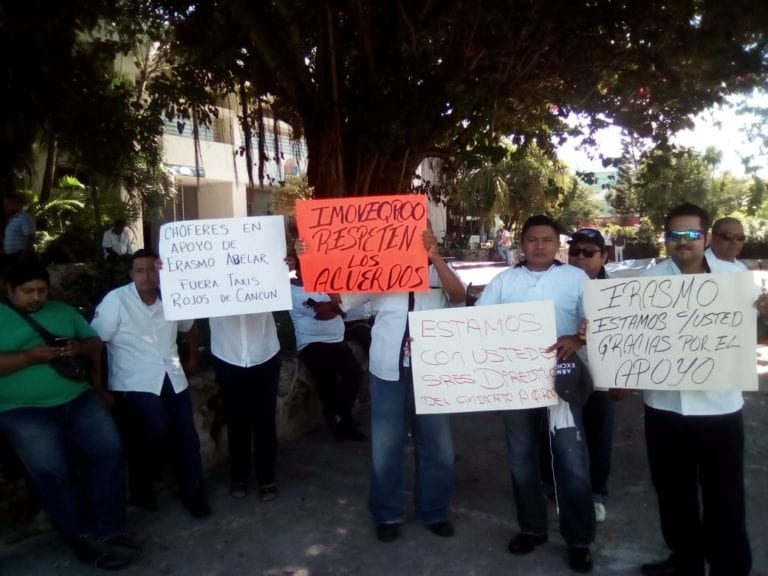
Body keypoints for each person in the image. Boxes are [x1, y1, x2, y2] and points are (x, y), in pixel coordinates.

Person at [298, 223, 465, 543]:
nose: (418, 236)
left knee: (438, 446)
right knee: (387, 446)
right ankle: (387, 514)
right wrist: (311, 260)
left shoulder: (441, 271)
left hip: (433, 373)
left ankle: (434, 511)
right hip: (387, 370)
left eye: (424, 231)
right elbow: (342, 298)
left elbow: (458, 296)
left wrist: (435, 258)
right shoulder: (381, 271)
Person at [639, 202, 758, 576]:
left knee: (725, 495)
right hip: (664, 407)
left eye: (691, 234)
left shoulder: (735, 278)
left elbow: (749, 333)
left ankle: (729, 568)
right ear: (665, 239)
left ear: (704, 237)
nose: (682, 241)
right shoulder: (646, 282)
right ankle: (685, 562)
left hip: (719, 408)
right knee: (673, 493)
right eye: (674, 234)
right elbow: (631, 339)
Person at [0, 260, 140, 569]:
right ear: (9, 289)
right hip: (22, 410)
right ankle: (82, 539)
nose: (36, 297)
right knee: (54, 472)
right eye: (27, 291)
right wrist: (28, 357)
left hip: (78, 398)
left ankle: (110, 528)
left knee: (109, 452)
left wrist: (78, 348)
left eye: (42, 290)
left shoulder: (61, 310)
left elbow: (94, 343)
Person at [475, 215, 595, 573]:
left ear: (557, 244)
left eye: (546, 239)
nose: (539, 245)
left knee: (571, 460)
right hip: (517, 383)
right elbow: (477, 323)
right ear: (521, 244)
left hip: (564, 380)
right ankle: (532, 528)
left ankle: (579, 540)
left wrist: (579, 339)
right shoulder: (504, 281)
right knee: (521, 457)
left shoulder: (576, 278)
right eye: (531, 239)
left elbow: (597, 323)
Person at [90, 248, 210, 518]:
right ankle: (141, 481)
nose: (146, 276)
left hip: (172, 374)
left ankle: (193, 493)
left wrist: (193, 357)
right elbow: (95, 342)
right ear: (131, 274)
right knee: (156, 426)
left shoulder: (172, 295)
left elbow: (189, 326)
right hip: (133, 378)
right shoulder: (116, 300)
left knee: (187, 434)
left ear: (160, 270)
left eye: (151, 269)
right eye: (140, 270)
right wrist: (98, 386)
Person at [567, 228, 624, 524]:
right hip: (560, 374)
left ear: (604, 256)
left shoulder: (619, 291)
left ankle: (597, 494)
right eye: (574, 251)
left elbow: (630, 337)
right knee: (560, 436)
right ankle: (557, 488)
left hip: (602, 376)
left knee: (598, 438)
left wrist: (623, 378)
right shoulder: (557, 282)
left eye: (588, 252)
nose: (580, 257)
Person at [209, 311, 282, 502]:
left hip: (264, 349)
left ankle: (266, 476)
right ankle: (238, 475)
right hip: (227, 351)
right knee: (236, 419)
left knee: (265, 419)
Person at [289, 260, 365, 442]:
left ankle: (340, 415)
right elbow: (323, 314)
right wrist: (336, 306)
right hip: (312, 343)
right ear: (298, 271)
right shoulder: (294, 292)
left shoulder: (324, 283)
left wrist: (334, 302)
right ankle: (341, 423)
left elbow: (344, 310)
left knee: (355, 374)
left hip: (337, 340)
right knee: (329, 384)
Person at [2, 192, 36, 273]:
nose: (5, 207)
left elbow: (31, 237)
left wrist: (24, 256)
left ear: (16, 204)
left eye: (8, 204)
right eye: (4, 204)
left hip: (20, 257)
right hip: (12, 258)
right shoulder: (11, 220)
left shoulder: (23, 217)